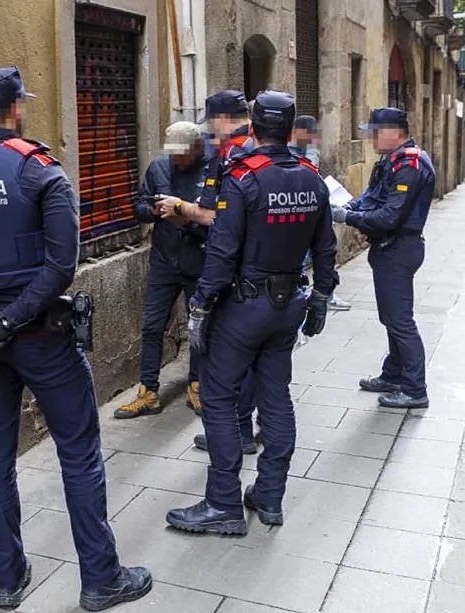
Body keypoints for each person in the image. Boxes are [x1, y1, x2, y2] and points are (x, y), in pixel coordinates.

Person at [0, 66, 151, 612]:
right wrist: (11, 318)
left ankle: (8, 580)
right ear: (16, 108)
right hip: (41, 337)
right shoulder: (40, 171)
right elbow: (60, 265)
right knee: (80, 452)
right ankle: (100, 579)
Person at [165, 90, 337, 535]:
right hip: (288, 307)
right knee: (275, 397)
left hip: (243, 306)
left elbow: (222, 251)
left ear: (255, 128)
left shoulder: (244, 178)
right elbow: (325, 249)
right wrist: (320, 298)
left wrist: (200, 303)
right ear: (290, 127)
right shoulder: (312, 178)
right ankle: (270, 496)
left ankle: (223, 503)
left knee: (219, 399)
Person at [158, 90, 261, 455]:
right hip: (269, 274)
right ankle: (253, 435)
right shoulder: (267, 147)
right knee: (263, 366)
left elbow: (218, 218)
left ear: (221, 118)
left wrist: (181, 207)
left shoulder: (231, 156)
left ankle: (233, 439)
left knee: (226, 362)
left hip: (235, 275)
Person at [330, 107, 435, 410]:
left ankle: (415, 388)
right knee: (390, 317)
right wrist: (350, 204)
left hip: (399, 247)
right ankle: (393, 374)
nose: (371, 138)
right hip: (389, 248)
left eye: (376, 132)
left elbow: (389, 215)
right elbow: (373, 196)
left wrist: (348, 216)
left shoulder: (410, 164)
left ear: (395, 132)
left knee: (401, 321)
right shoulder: (392, 160)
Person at [114, 121, 207, 419]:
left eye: (183, 154)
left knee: (199, 328)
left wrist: (185, 213)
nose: (178, 160)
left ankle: (197, 385)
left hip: (199, 260)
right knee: (152, 326)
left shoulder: (211, 172)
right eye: (174, 154)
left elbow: (218, 219)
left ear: (196, 149)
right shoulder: (158, 169)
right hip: (164, 261)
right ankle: (148, 392)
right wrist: (153, 210)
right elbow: (139, 207)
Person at [290, 115, 351, 312]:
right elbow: (308, 177)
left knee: (317, 254)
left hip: (311, 214)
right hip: (301, 217)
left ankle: (323, 294)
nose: (315, 138)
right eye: (312, 134)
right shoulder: (294, 154)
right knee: (302, 257)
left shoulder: (303, 150)